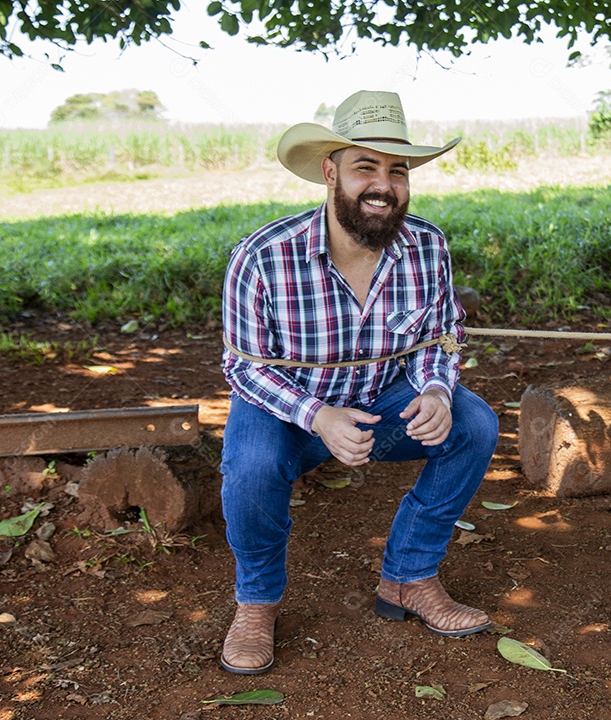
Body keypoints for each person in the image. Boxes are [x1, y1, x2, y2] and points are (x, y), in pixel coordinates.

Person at [218, 90, 499, 675]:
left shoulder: (427, 247)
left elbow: (440, 337)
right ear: (330, 172)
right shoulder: (263, 257)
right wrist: (318, 415)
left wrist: (436, 391)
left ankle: (408, 578)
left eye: (397, 171)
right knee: (249, 468)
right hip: (290, 412)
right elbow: (244, 367)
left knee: (473, 424)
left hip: (382, 408)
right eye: (365, 166)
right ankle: (257, 602)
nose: (383, 184)